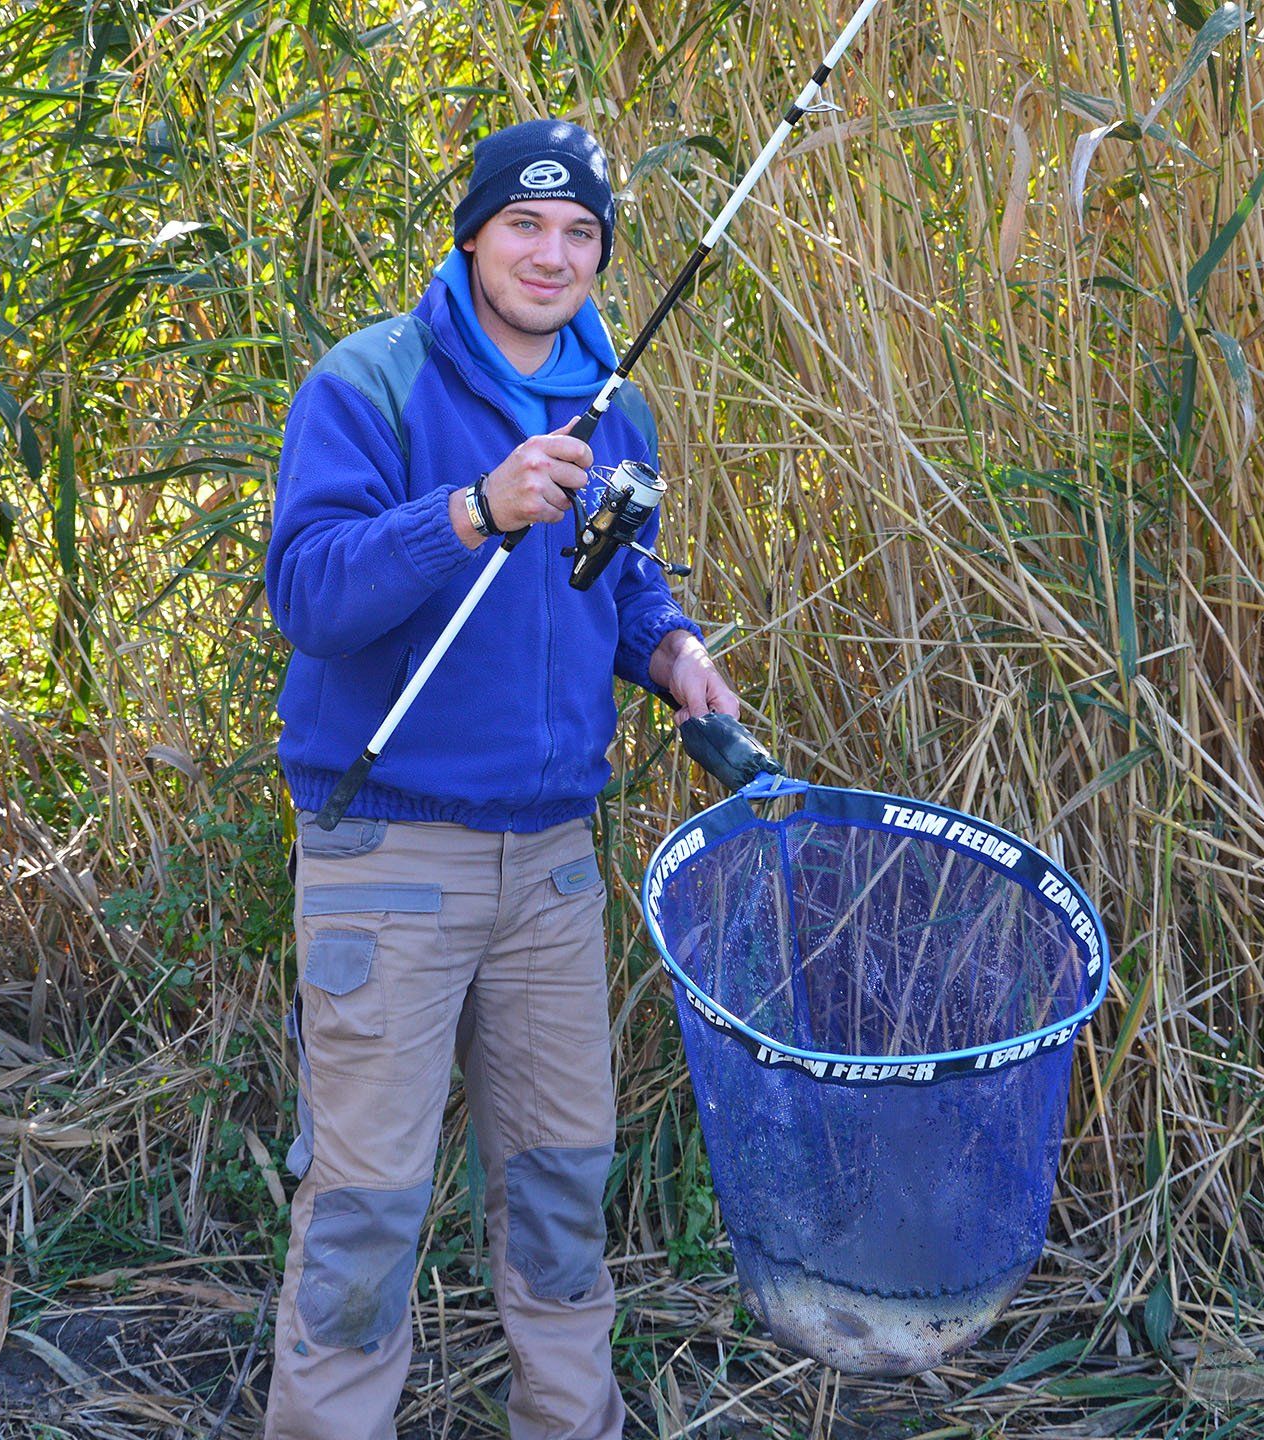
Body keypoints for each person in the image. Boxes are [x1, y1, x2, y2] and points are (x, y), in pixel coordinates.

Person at [262, 117, 739, 1440]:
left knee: (561, 1183)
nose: (552, 253)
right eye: (523, 224)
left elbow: (626, 578)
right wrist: (473, 508)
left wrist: (676, 653)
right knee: (365, 1204)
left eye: (580, 231)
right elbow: (309, 593)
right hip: (389, 858)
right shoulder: (372, 381)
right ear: (472, 234)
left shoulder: (614, 394)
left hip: (549, 866)